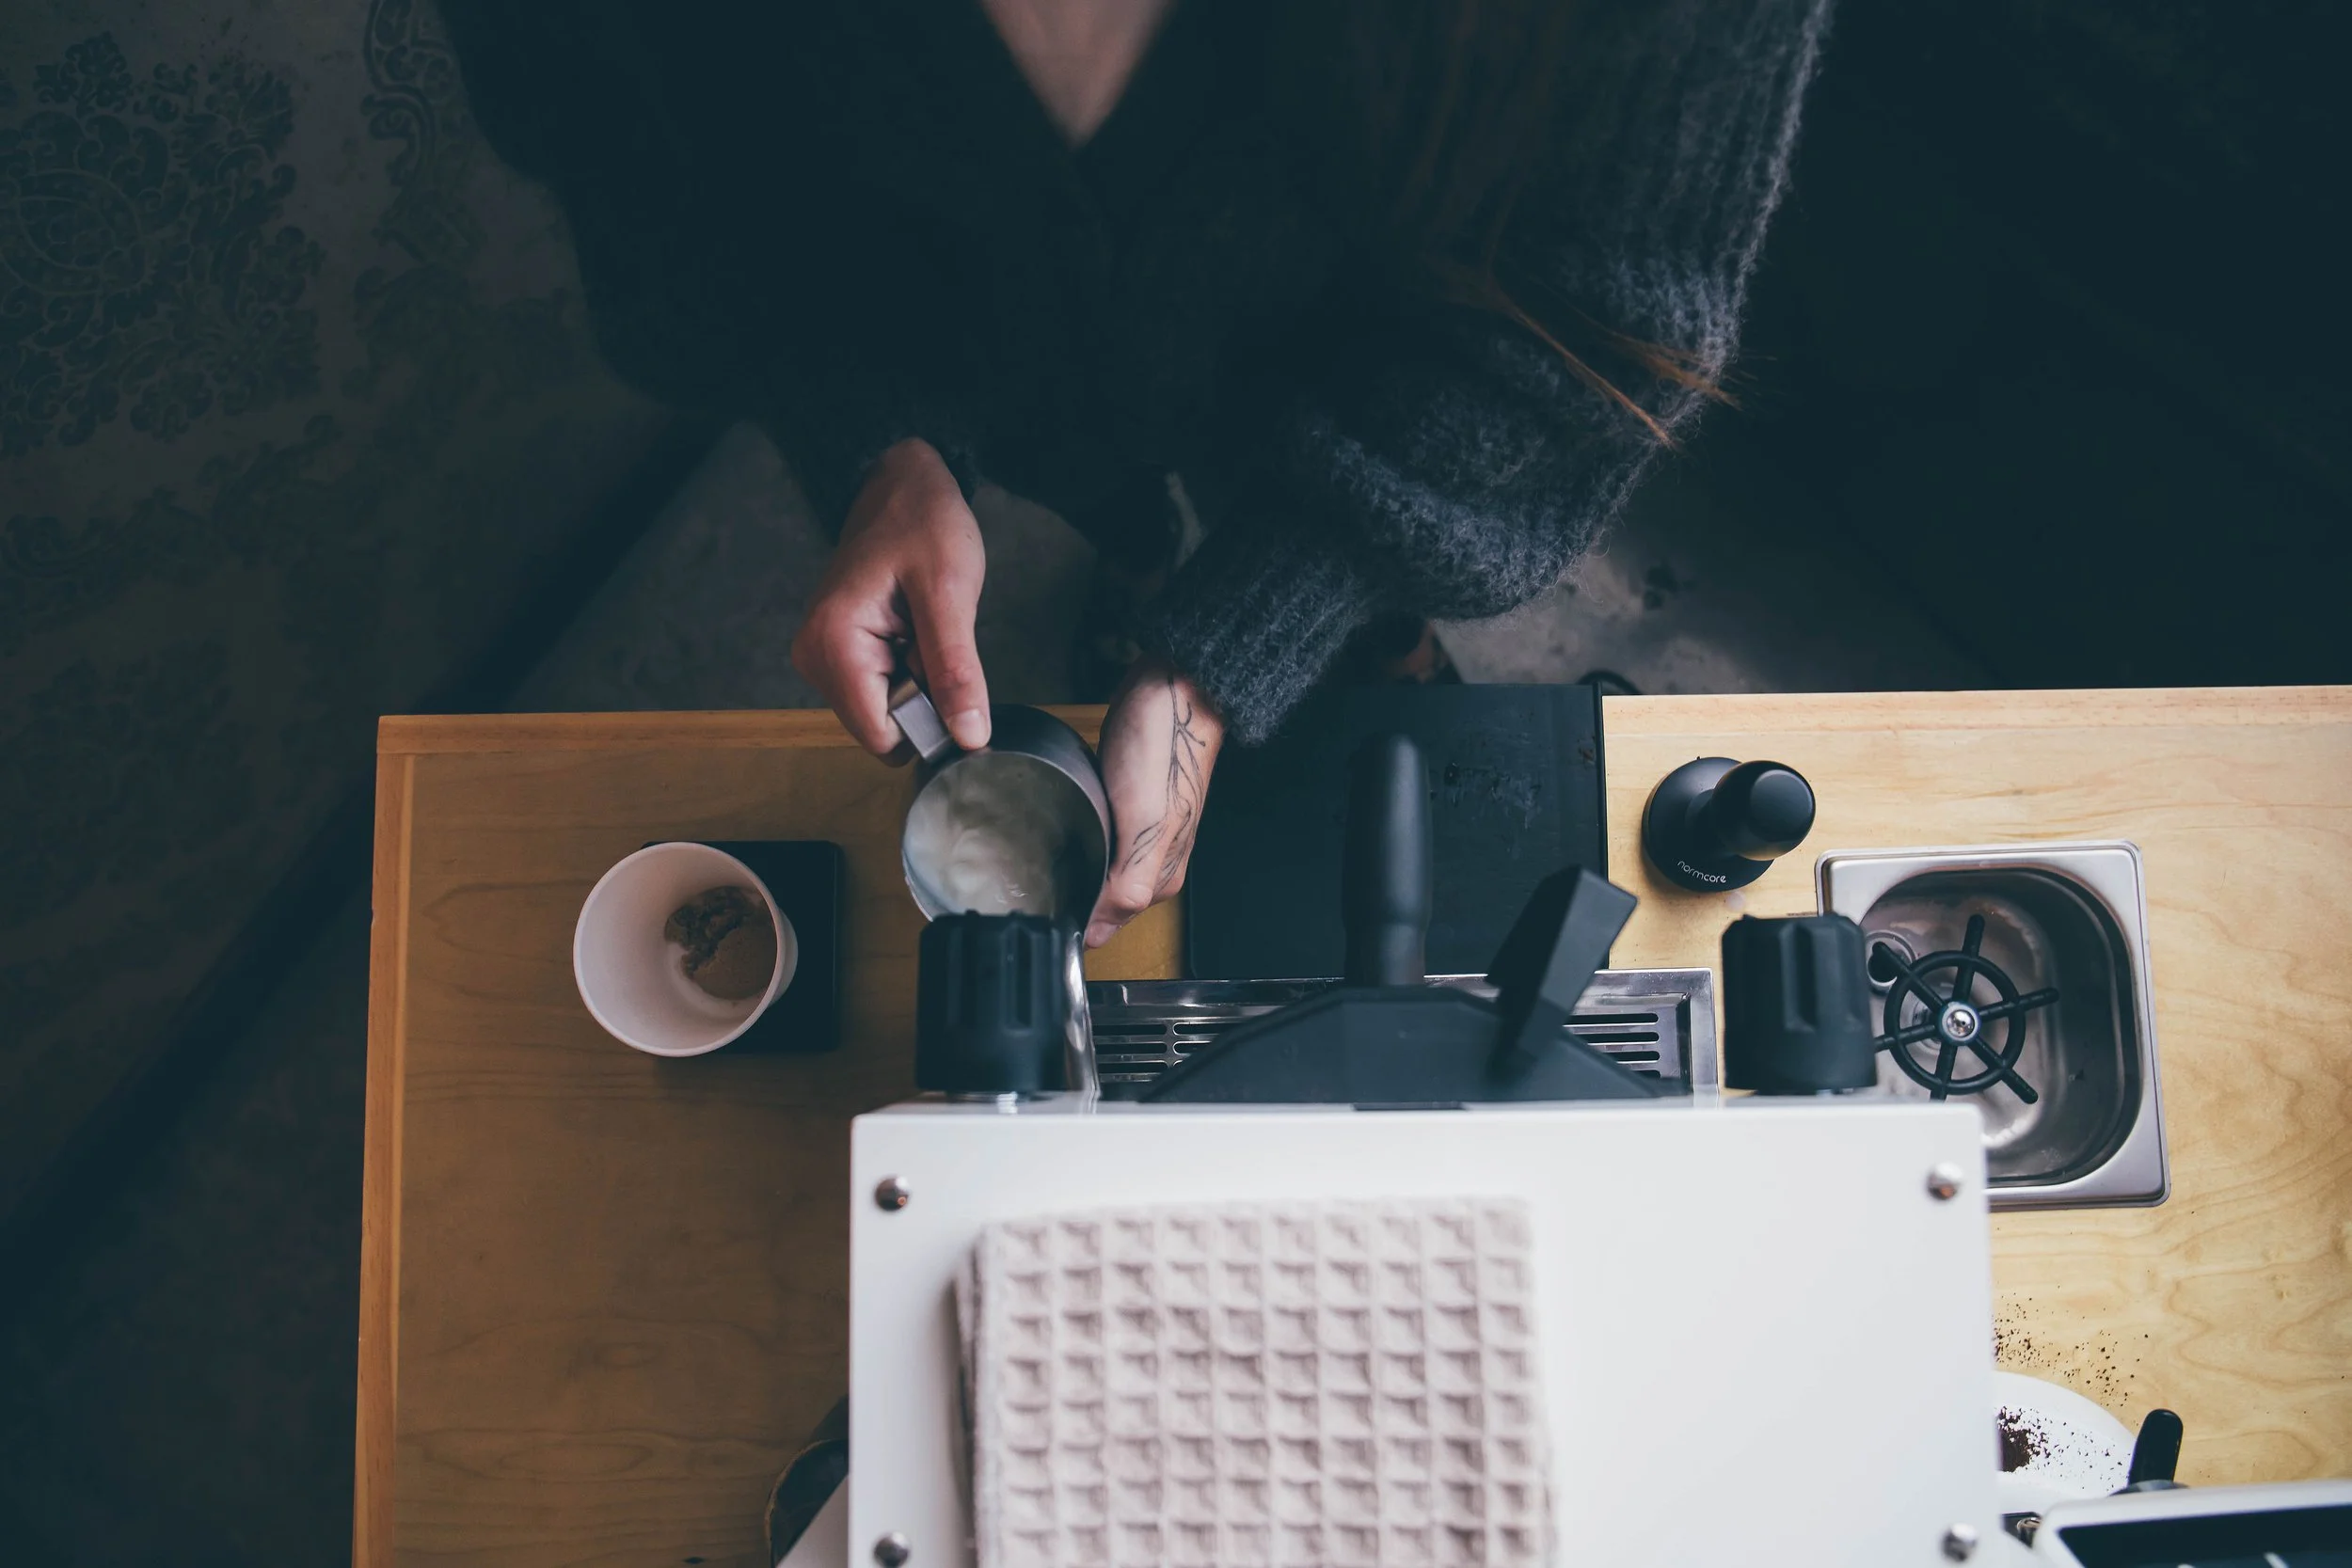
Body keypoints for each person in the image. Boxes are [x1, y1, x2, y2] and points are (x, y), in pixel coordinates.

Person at [438, 0, 1831, 946]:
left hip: (1375, 339)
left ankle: (1358, 621)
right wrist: (885, 445)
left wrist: (1247, 634)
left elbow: (1596, 323)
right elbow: (677, 226)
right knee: (1102, 482)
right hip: (1010, 368)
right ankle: (1140, 547)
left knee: (1333, 563)